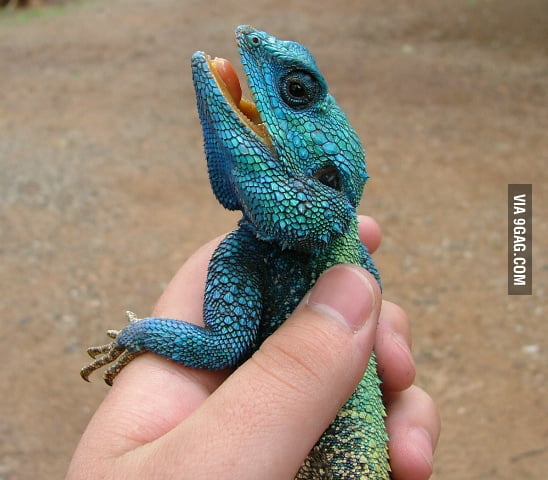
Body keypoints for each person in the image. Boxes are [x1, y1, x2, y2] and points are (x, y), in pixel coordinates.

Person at [67, 216, 440, 479]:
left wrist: (137, 335)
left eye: (297, 97)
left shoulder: (303, 249)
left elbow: (220, 348)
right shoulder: (352, 250)